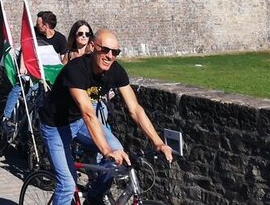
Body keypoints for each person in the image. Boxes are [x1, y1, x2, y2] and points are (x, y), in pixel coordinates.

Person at [38, 29, 173, 204]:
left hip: (78, 122)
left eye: (115, 52)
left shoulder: (115, 71)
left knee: (117, 160)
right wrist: (106, 151)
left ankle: (94, 198)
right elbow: (88, 113)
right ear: (93, 47)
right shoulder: (76, 69)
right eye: (105, 50)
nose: (109, 56)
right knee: (67, 185)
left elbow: (135, 109)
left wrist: (158, 142)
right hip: (56, 126)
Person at [3, 10, 67, 124]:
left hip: (46, 74)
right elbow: (24, 50)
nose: (36, 26)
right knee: (21, 88)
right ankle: (6, 117)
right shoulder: (34, 33)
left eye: (39, 24)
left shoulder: (60, 39)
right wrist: (23, 67)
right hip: (30, 68)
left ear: (46, 26)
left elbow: (63, 61)